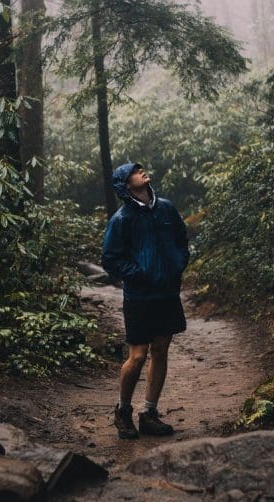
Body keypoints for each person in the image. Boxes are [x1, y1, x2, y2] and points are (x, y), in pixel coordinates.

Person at [101, 162, 190, 439]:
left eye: (141, 169)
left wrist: (177, 265)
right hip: (139, 296)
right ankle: (123, 411)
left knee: (161, 349)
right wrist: (139, 275)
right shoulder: (121, 219)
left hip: (167, 293)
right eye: (134, 172)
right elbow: (110, 259)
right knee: (138, 356)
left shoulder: (166, 208)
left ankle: (149, 413)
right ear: (126, 185)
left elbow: (181, 239)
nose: (142, 172)